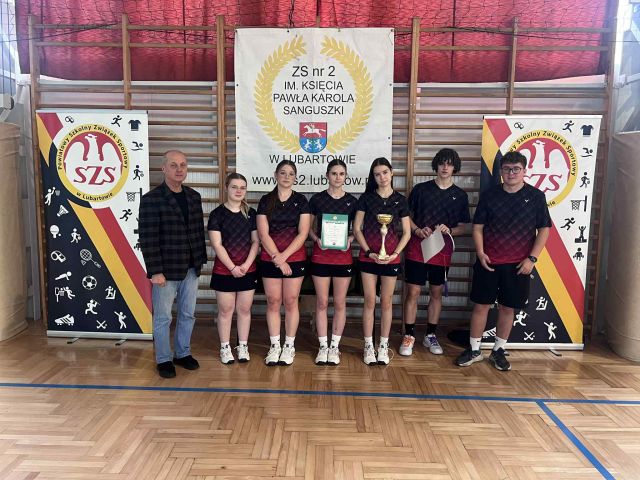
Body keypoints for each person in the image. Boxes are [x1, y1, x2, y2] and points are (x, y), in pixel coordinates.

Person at [455, 151, 551, 371]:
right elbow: (477, 227)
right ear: (501, 171)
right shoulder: (489, 195)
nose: (511, 173)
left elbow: (544, 230)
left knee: (508, 308)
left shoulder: (536, 196)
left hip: (518, 265)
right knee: (481, 305)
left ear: (524, 171)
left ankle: (498, 350)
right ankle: (474, 349)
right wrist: (480, 253)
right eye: (507, 169)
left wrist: (532, 259)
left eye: (516, 169)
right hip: (488, 261)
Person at [139, 150, 207, 378]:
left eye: (183, 165)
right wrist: (155, 271)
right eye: (174, 165)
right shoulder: (151, 199)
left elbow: (197, 232)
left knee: (187, 314)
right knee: (163, 317)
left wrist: (199, 262)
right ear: (163, 168)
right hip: (165, 271)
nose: (179, 169)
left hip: (191, 268)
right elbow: (148, 238)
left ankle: (182, 353)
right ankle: (164, 359)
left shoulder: (194, 196)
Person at [401, 148, 470, 356]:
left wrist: (450, 230)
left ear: (455, 167)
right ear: (436, 166)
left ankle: (430, 335)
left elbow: (463, 227)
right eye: (442, 163)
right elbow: (406, 216)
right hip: (417, 248)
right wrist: (416, 230)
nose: (445, 167)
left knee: (436, 292)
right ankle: (409, 335)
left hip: (442, 251)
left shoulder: (460, 195)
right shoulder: (421, 190)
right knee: (413, 292)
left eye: (449, 164)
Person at [353, 157, 411, 365]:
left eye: (385, 172)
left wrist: (395, 253)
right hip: (369, 258)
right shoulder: (366, 198)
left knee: (386, 301)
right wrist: (369, 252)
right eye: (377, 174)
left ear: (392, 173)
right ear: (373, 177)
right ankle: (369, 345)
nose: (382, 177)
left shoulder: (400, 200)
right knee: (370, 300)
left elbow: (406, 232)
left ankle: (383, 345)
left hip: (390, 259)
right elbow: (357, 228)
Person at [257, 160, 311, 366]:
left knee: (290, 301)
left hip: (294, 259)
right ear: (275, 175)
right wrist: (277, 259)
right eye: (283, 173)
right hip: (270, 259)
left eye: (291, 173)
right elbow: (263, 234)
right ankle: (275, 345)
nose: (287, 177)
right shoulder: (266, 200)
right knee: (273, 301)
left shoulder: (301, 200)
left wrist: (284, 257)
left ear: (295, 177)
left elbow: (303, 233)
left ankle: (289, 345)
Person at [308, 160, 358, 365]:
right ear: (327, 175)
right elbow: (307, 228)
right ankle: (323, 347)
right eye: (334, 173)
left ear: (346, 176)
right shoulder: (317, 199)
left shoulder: (353, 201)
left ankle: (334, 347)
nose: (338, 177)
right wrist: (316, 239)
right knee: (321, 302)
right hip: (321, 256)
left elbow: (358, 229)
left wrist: (350, 240)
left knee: (339, 302)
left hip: (343, 258)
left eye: (341, 174)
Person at [208, 173, 260, 364]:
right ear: (226, 188)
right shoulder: (217, 214)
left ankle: (243, 346)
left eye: (242, 188)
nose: (239, 191)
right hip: (224, 271)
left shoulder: (251, 213)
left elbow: (256, 241)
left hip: (247, 270)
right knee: (226, 310)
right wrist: (232, 267)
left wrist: (245, 265)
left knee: (244, 310)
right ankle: (225, 347)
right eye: (234, 187)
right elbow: (217, 244)